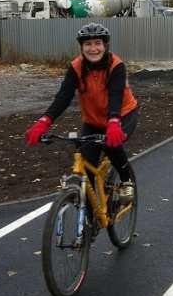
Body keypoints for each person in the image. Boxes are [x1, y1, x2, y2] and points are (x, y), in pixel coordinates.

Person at [25, 22, 139, 203]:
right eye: (88, 44)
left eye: (97, 43)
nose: (93, 48)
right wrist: (44, 121)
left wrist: (114, 121)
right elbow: (64, 96)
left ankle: (126, 180)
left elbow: (116, 95)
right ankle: (90, 220)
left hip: (123, 115)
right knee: (87, 167)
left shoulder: (116, 65)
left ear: (105, 45)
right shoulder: (76, 67)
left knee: (112, 146)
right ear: (81, 47)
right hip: (93, 121)